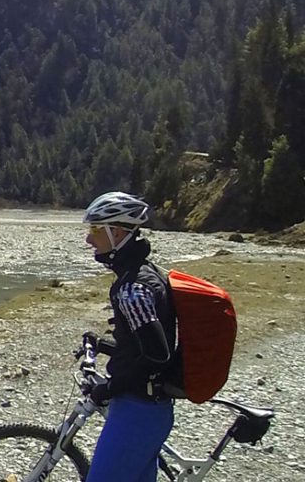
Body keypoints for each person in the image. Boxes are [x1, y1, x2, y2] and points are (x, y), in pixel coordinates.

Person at [81, 191, 179, 482]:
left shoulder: (132, 289)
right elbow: (143, 346)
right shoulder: (145, 274)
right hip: (151, 408)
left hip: (138, 411)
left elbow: (157, 355)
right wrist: (104, 345)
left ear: (119, 232)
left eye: (96, 230)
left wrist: (110, 387)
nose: (89, 239)